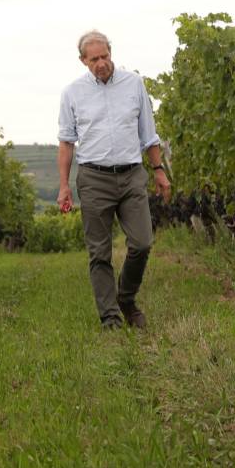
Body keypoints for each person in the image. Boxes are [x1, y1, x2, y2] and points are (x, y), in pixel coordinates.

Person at [56, 30, 171, 330]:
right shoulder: (72, 93)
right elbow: (66, 142)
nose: (101, 63)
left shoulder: (133, 84)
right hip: (94, 178)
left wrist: (159, 170)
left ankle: (126, 298)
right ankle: (110, 317)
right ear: (83, 61)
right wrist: (65, 185)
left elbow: (149, 133)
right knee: (99, 252)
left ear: (111, 53)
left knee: (142, 242)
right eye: (94, 59)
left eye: (105, 56)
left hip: (132, 174)